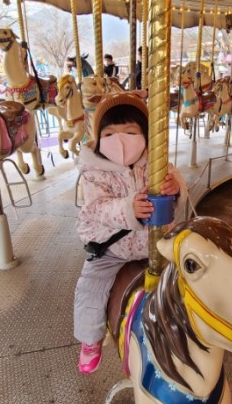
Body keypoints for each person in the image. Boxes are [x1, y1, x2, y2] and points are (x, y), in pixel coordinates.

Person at [73, 92, 187, 374]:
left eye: (129, 131)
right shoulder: (93, 172)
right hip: (112, 248)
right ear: (98, 137)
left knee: (189, 271)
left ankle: (191, 324)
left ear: (146, 135)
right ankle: (90, 338)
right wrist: (128, 208)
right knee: (91, 284)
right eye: (109, 133)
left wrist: (176, 189)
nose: (119, 140)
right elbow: (97, 208)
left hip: (155, 242)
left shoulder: (156, 161)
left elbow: (176, 187)